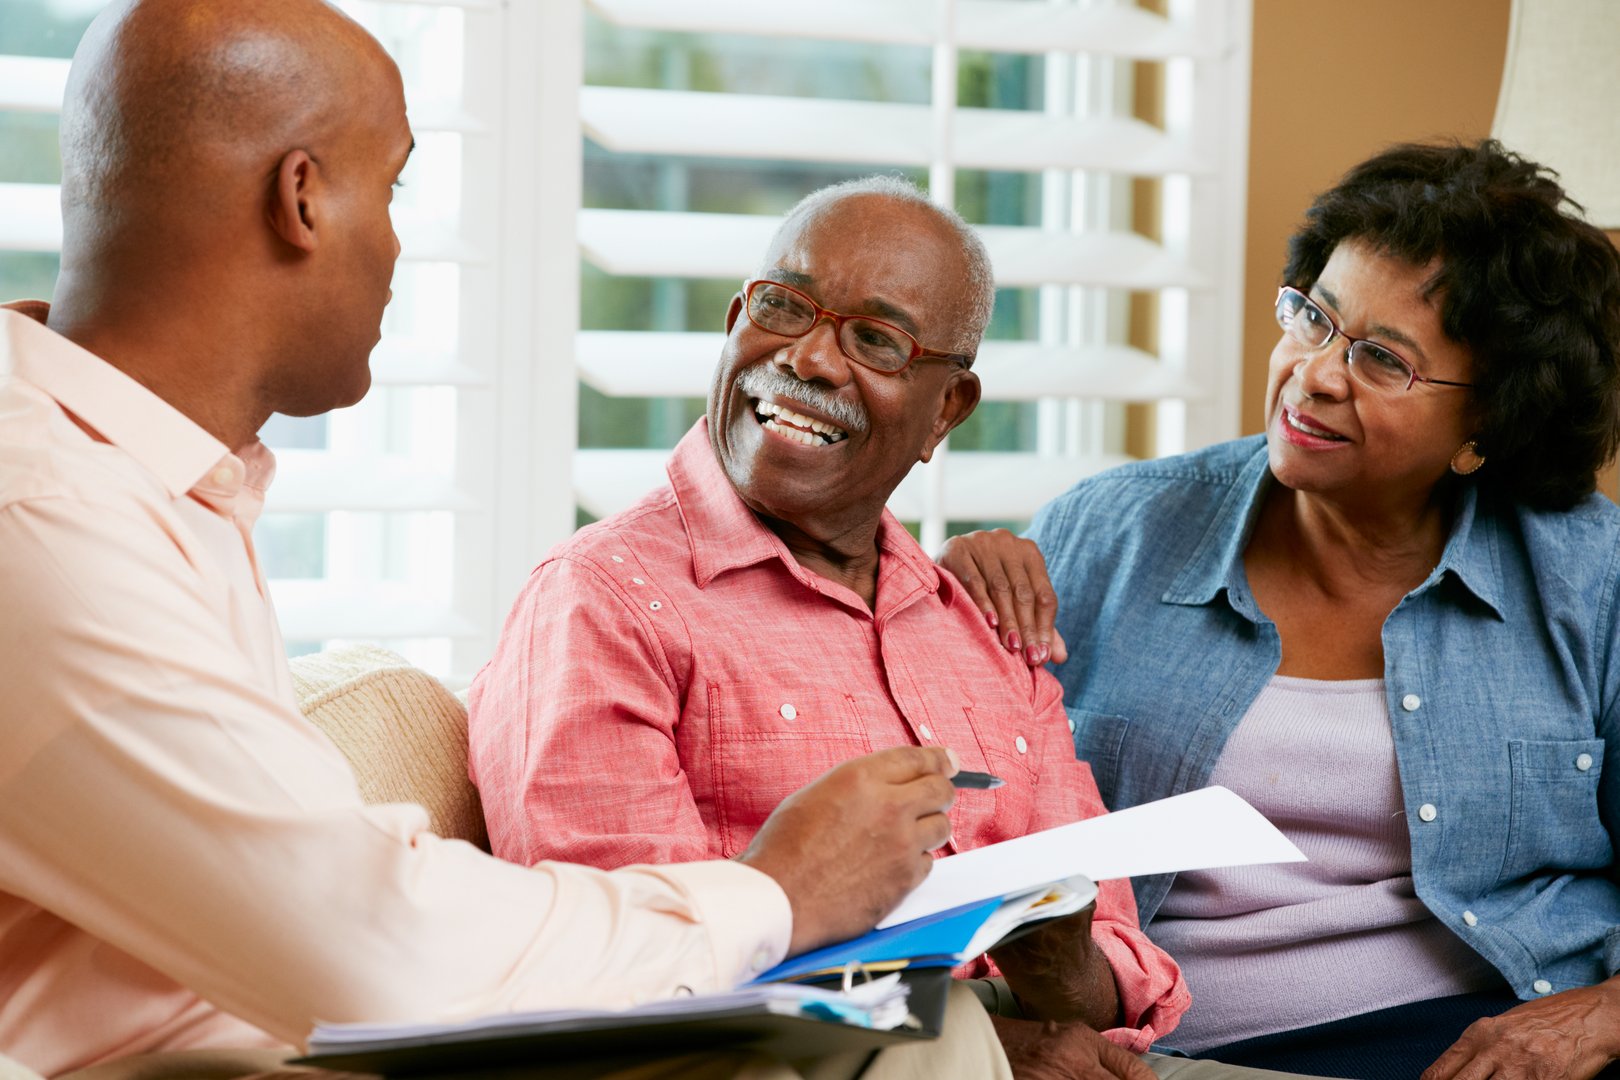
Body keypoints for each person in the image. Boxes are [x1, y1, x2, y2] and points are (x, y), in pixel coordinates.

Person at [0, 3, 1012, 1078]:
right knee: (908, 1044)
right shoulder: (47, 522)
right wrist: (779, 894)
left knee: (919, 1035)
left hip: (281, 1033)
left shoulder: (150, 479)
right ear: (300, 199)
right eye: (391, 190)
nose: (399, 246)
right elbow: (371, 948)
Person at [468, 175, 1320, 1080]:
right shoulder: (603, 599)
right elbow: (628, 975)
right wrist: (971, 1042)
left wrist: (1059, 964)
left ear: (946, 410)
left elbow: (1125, 974)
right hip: (808, 1052)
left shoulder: (986, 623)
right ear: (734, 323)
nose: (810, 359)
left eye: (874, 338)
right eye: (785, 307)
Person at [938, 140, 1620, 1080]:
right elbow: (963, 815)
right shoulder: (1110, 530)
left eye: (1382, 359)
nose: (1316, 373)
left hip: (1474, 1041)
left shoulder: (1589, 577)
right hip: (1168, 1050)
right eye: (1312, 318)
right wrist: (931, 607)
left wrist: (1605, 1014)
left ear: (1486, 427)